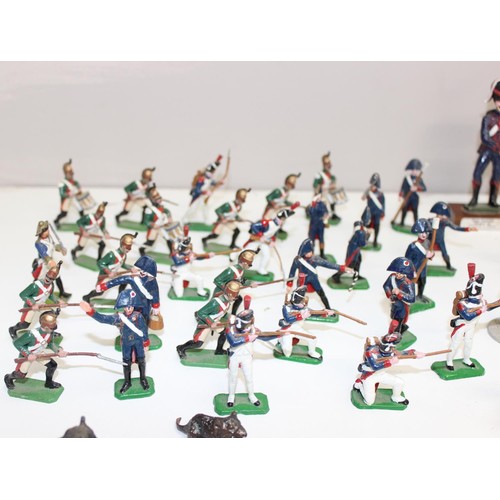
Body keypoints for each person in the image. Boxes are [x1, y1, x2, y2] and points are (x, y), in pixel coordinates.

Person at [80, 289, 150, 394]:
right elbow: (103, 319)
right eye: (127, 307)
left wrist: (146, 342)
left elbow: (144, 330)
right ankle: (127, 382)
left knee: (141, 360)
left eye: (131, 306)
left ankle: (143, 379)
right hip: (126, 343)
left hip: (138, 342)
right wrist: (90, 311)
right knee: (126, 363)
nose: (129, 309)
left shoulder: (138, 316)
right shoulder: (119, 318)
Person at [226, 296, 279, 407]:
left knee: (249, 377)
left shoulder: (253, 329)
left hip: (247, 357)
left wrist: (278, 335)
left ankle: (251, 395)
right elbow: (233, 342)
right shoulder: (231, 329)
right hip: (234, 356)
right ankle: (231, 396)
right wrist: (247, 338)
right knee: (233, 378)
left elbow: (264, 337)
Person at [446, 264, 499, 370]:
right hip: (462, 325)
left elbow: (489, 307)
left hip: (472, 326)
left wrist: (496, 304)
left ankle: (466, 359)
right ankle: (449, 361)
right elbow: (468, 317)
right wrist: (481, 310)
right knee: (455, 343)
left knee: (469, 343)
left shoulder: (482, 302)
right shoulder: (462, 304)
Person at [353, 333, 424, 406]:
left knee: (399, 382)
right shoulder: (370, 351)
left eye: (390, 346)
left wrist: (414, 352)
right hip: (369, 376)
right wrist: (390, 362)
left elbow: (402, 353)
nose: (387, 348)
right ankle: (359, 384)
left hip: (381, 374)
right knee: (369, 402)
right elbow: (375, 366)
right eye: (385, 345)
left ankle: (396, 397)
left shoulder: (391, 351)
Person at [176, 281, 241, 359]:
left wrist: (230, 317)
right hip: (206, 324)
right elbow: (200, 313)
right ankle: (181, 348)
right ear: (230, 295)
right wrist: (211, 323)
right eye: (235, 297)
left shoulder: (227, 302)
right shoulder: (215, 303)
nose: (235, 299)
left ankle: (219, 350)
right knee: (198, 343)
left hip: (215, 321)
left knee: (224, 333)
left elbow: (222, 313)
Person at [4, 309, 68, 390]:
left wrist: (59, 350)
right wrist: (28, 354)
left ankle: (49, 383)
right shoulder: (31, 334)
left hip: (39, 353)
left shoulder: (50, 332)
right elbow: (17, 343)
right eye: (51, 327)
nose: (53, 329)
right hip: (27, 355)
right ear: (46, 327)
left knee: (52, 365)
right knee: (21, 374)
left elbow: (51, 343)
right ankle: (8, 378)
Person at [287, 238, 352, 309]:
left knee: (321, 294)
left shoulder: (315, 259)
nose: (309, 254)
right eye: (306, 252)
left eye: (310, 251)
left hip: (313, 279)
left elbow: (328, 264)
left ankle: (328, 308)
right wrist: (289, 284)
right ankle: (297, 309)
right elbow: (292, 272)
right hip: (302, 279)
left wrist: (342, 268)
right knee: (299, 296)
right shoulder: (297, 260)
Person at [94, 255, 161, 324]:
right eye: (141, 269)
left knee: (144, 318)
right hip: (134, 300)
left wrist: (156, 306)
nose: (142, 272)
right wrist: (105, 286)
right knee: (129, 315)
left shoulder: (152, 281)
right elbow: (119, 280)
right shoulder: (133, 278)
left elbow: (155, 294)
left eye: (145, 271)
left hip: (146, 303)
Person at [9, 262, 67, 339]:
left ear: (54, 279)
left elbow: (50, 295)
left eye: (51, 279)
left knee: (51, 317)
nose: (48, 279)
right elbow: (23, 295)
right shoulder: (35, 285)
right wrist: (33, 304)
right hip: (31, 306)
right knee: (25, 324)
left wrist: (58, 301)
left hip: (42, 305)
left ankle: (48, 333)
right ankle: (13, 329)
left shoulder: (51, 286)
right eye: (47, 277)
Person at [467, 80, 500, 207]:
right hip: (487, 149)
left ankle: (492, 200)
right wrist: (494, 145)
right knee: (477, 172)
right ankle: (474, 199)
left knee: (497, 175)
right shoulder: (489, 117)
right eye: (498, 100)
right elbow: (485, 136)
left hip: (498, 153)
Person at [277, 283, 330, 360]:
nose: (304, 303)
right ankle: (281, 340)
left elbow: (314, 313)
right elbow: (288, 319)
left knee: (313, 339)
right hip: (287, 331)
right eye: (302, 301)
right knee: (287, 352)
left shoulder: (305, 308)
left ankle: (312, 352)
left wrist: (324, 312)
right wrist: (301, 316)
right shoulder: (286, 308)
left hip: (298, 330)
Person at [244, 204, 299, 276]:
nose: (282, 221)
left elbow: (274, 234)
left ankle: (261, 269)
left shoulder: (277, 226)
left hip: (265, 242)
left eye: (284, 220)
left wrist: (273, 241)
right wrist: (260, 235)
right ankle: (237, 260)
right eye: (282, 219)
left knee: (266, 255)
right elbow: (254, 226)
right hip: (256, 240)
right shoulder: (268, 223)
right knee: (247, 252)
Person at [82, 232, 136, 303]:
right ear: (123, 246)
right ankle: (87, 297)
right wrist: (109, 272)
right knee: (100, 292)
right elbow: (100, 263)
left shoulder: (124, 255)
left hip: (114, 274)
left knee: (124, 281)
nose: (129, 250)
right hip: (105, 276)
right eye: (127, 247)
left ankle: (120, 298)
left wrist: (131, 268)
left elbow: (122, 264)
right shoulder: (112, 255)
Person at [427, 201, 477, 271]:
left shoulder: (444, 222)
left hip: (440, 240)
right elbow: (425, 229)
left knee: (445, 254)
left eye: (441, 215)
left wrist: (467, 229)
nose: (440, 216)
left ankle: (448, 266)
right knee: (426, 253)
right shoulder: (430, 221)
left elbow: (455, 227)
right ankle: (423, 265)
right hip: (430, 240)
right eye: (439, 214)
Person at [32, 220, 71, 299]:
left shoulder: (49, 238)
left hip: (51, 262)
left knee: (57, 276)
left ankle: (62, 292)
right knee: (39, 280)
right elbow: (44, 254)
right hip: (44, 263)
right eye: (45, 231)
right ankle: (33, 293)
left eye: (47, 229)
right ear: (41, 233)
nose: (47, 232)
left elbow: (53, 246)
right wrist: (49, 261)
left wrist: (60, 249)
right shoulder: (39, 243)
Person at [139, 185, 182, 256]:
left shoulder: (161, 207)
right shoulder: (149, 210)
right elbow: (146, 221)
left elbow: (166, 211)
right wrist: (153, 225)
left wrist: (169, 217)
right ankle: (141, 249)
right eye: (157, 199)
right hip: (154, 228)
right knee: (150, 242)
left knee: (168, 239)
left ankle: (172, 253)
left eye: (159, 198)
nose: (159, 200)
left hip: (161, 227)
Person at [212, 249, 259, 314]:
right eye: (250, 265)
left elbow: (240, 280)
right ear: (245, 263)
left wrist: (250, 283)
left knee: (238, 299)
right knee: (220, 308)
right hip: (221, 292)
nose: (250, 266)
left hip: (230, 292)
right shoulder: (231, 271)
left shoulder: (241, 270)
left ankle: (233, 314)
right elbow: (217, 280)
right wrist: (227, 289)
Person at [170, 230, 214, 298]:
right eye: (187, 248)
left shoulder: (190, 253)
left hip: (186, 273)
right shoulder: (175, 254)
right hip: (178, 274)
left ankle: (200, 291)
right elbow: (177, 263)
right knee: (179, 295)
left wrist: (208, 256)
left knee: (199, 278)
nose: (188, 249)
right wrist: (188, 259)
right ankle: (174, 283)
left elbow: (198, 257)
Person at [184, 154, 224, 223]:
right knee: (193, 207)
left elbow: (213, 183)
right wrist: (203, 192)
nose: (212, 173)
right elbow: (197, 189)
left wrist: (219, 183)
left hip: (204, 197)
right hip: (198, 196)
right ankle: (186, 218)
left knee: (205, 208)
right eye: (211, 172)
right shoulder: (201, 179)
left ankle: (206, 220)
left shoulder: (210, 179)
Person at [382, 257, 416, 336]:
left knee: (398, 321)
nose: (398, 274)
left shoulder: (409, 283)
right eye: (397, 272)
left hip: (402, 306)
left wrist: (399, 294)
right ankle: (399, 329)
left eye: (401, 273)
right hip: (394, 303)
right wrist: (390, 295)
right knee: (393, 317)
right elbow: (386, 286)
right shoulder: (392, 277)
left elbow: (412, 298)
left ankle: (396, 334)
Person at [331, 218, 370, 285]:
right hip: (354, 250)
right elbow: (362, 243)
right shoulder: (361, 232)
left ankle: (356, 275)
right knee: (350, 265)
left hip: (356, 248)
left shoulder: (361, 228)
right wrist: (368, 236)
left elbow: (356, 224)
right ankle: (336, 276)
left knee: (358, 261)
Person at [405, 219, 434, 301]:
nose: (424, 235)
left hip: (423, 268)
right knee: (410, 284)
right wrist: (412, 271)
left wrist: (431, 255)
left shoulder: (428, 243)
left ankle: (420, 295)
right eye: (422, 232)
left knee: (422, 282)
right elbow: (407, 260)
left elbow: (431, 253)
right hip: (414, 268)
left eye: (426, 233)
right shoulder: (412, 246)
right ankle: (408, 296)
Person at [53, 159, 85, 228]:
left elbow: (76, 184)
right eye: (69, 173)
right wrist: (69, 194)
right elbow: (62, 194)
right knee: (64, 213)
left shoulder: (72, 181)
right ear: (66, 173)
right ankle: (56, 221)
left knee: (80, 209)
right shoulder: (62, 183)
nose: (71, 174)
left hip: (73, 198)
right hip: (67, 199)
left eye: (71, 173)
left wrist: (79, 189)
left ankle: (83, 222)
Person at [313, 151, 342, 222]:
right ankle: (324, 216)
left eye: (329, 163)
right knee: (324, 205)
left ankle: (333, 214)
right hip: (322, 194)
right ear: (324, 164)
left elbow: (332, 179)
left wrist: (333, 183)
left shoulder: (330, 174)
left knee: (332, 202)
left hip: (329, 192)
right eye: (327, 164)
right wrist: (318, 187)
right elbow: (315, 184)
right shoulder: (319, 175)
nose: (329, 165)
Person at [397, 159, 426, 226]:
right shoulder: (406, 178)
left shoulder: (419, 179)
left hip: (415, 198)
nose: (414, 171)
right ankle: (402, 223)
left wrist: (417, 188)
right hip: (407, 198)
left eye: (416, 170)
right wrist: (400, 195)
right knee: (404, 210)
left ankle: (416, 225)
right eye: (413, 170)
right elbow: (402, 188)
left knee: (415, 211)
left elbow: (424, 188)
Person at [361, 173, 385, 247]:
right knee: (367, 228)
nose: (372, 186)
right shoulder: (368, 192)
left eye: (374, 185)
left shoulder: (380, 194)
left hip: (377, 214)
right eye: (372, 184)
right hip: (369, 213)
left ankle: (375, 241)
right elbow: (363, 198)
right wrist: (366, 193)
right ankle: (365, 240)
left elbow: (383, 205)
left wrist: (383, 213)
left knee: (376, 228)